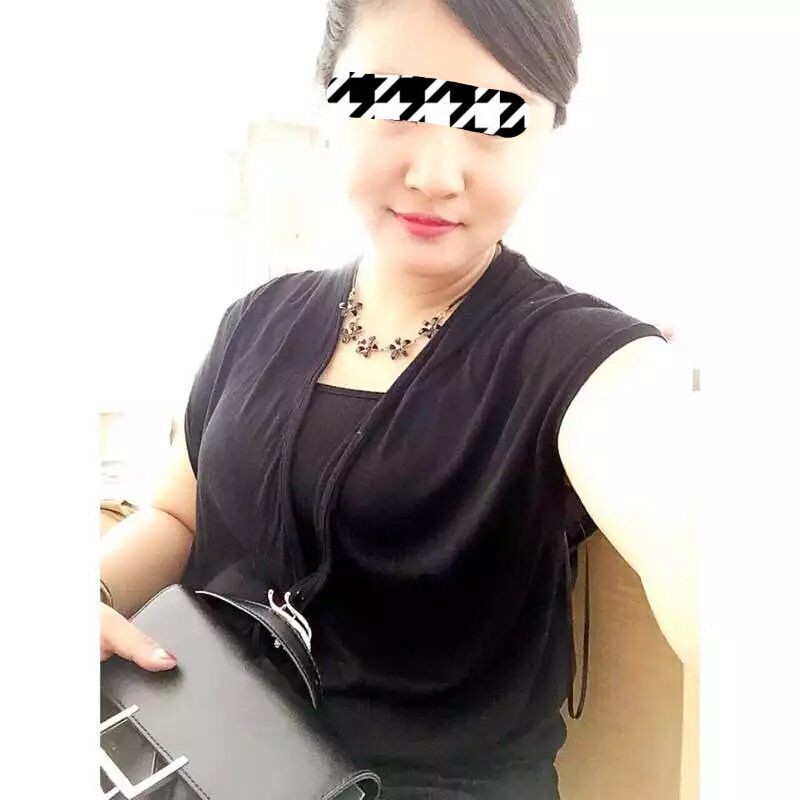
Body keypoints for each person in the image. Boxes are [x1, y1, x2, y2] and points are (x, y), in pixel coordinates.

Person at [101, 2, 698, 798]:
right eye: (394, 102)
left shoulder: (583, 357)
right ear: (330, 98)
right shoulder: (257, 319)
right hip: (187, 759)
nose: (437, 174)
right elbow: (177, 516)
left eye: (497, 118)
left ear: (547, 133)